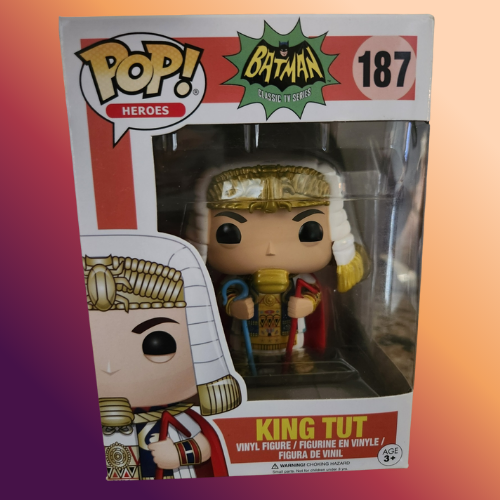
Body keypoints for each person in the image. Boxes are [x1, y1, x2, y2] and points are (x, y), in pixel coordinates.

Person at [82, 233, 242, 479]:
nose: (110, 367)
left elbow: (204, 445)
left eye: (157, 345)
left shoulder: (168, 416)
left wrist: (178, 454)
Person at [186, 160, 364, 373]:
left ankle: (296, 355)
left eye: (310, 231)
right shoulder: (235, 282)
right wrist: (233, 306)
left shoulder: (302, 280)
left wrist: (307, 305)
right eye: (229, 232)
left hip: (289, 335)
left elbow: (313, 294)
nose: (270, 249)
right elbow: (224, 296)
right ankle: (240, 360)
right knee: (240, 346)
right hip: (246, 336)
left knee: (295, 343)